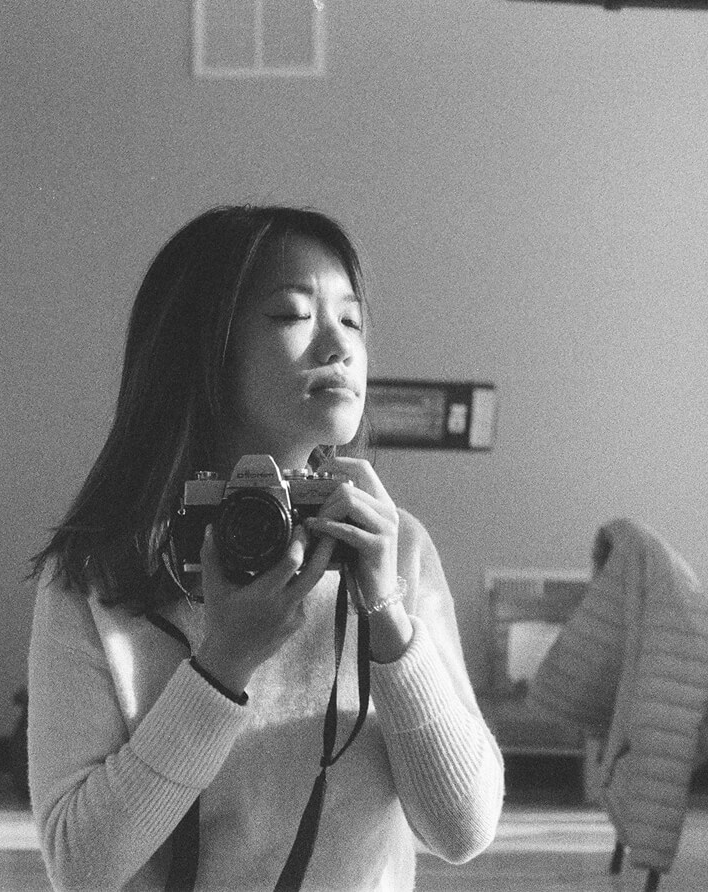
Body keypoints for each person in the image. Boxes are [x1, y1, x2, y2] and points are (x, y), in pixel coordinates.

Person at [26, 206, 504, 891]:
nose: (338, 346)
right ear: (203, 349)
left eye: (353, 321)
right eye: (292, 315)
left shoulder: (395, 550)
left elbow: (463, 831)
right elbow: (81, 866)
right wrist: (222, 663)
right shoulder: (99, 574)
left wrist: (388, 620)